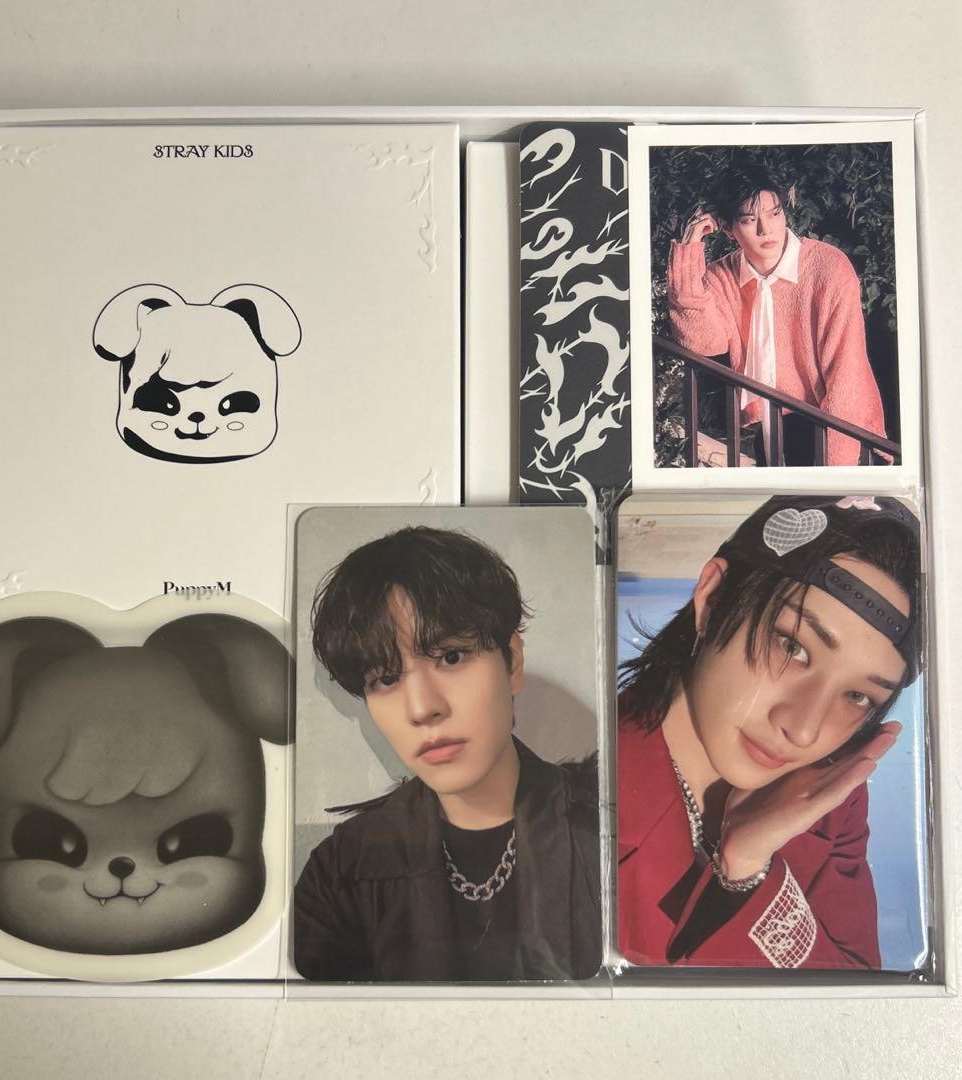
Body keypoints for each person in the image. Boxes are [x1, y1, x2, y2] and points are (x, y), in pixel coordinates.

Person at [617, 495, 921, 968]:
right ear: (713, 599)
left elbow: (857, 993)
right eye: (793, 646)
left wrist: (747, 871)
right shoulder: (576, 786)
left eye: (858, 696)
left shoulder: (826, 798)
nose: (803, 730)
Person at [292, 526, 601, 982]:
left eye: (451, 658)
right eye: (385, 678)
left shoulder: (609, 836)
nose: (422, 708)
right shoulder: (341, 872)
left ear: (512, 662)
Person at [666, 160, 888, 467]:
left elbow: (846, 375)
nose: (766, 229)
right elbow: (703, 341)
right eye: (749, 220)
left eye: (774, 213)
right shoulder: (723, 276)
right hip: (774, 431)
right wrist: (689, 248)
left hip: (842, 431)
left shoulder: (828, 267)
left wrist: (837, 473)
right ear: (728, 229)